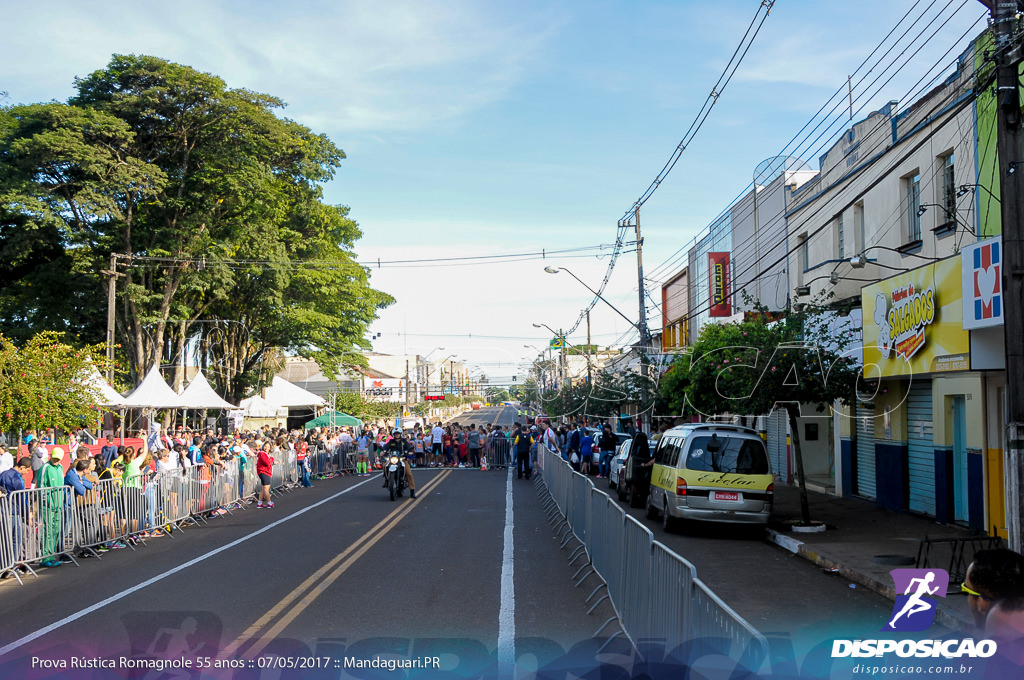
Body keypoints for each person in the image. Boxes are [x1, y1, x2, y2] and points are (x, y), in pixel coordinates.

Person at [256, 442, 274, 508]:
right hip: (264, 472)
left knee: (263, 489)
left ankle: (259, 503)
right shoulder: (262, 453)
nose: (266, 448)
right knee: (266, 489)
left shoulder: (265, 454)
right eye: (265, 446)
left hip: (265, 472)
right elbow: (267, 463)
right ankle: (269, 502)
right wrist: (272, 459)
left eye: (268, 447)